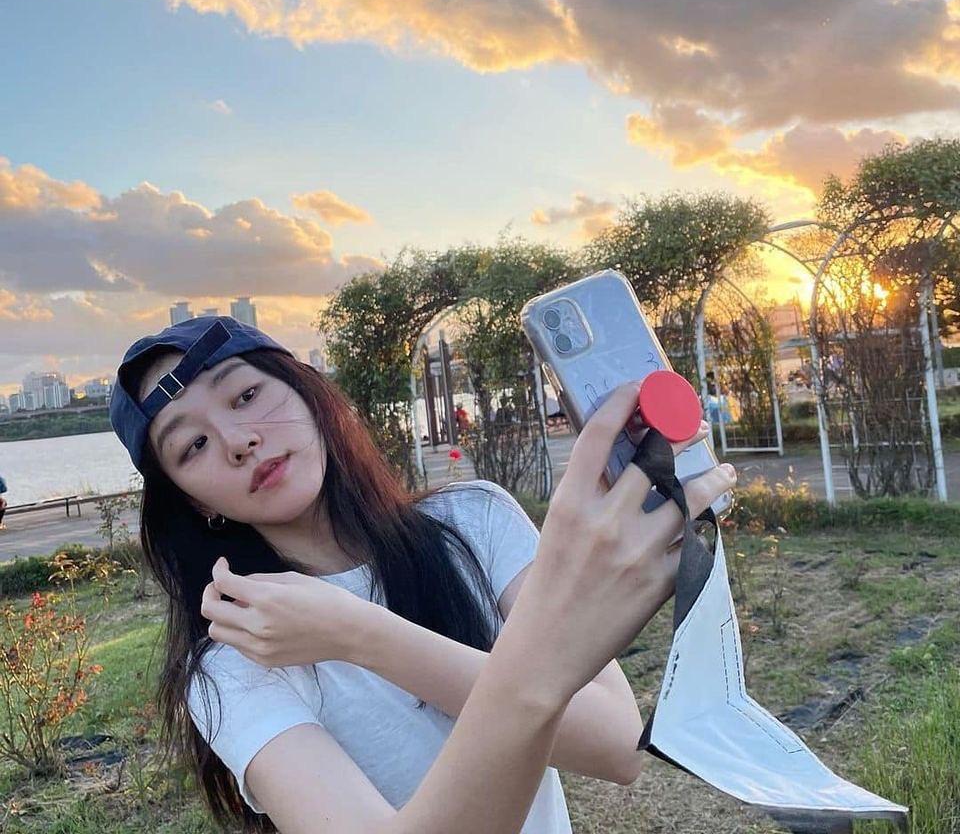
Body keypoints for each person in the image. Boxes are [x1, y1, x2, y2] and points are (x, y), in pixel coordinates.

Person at [108, 315, 735, 834]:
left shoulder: (475, 520)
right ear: (195, 503)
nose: (238, 439)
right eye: (192, 445)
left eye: (246, 395)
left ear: (309, 395)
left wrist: (362, 636)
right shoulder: (236, 661)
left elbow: (617, 746)